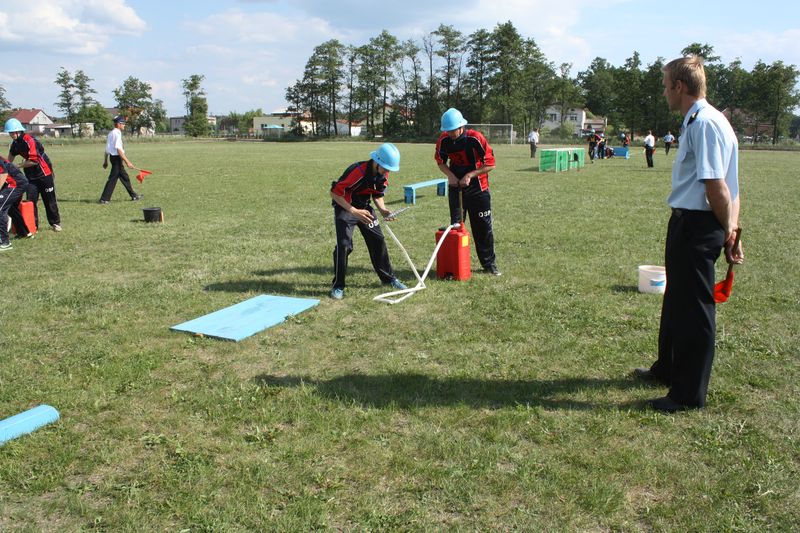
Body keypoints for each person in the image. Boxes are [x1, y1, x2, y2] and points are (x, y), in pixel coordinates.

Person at [634, 55, 743, 413]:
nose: (665, 91)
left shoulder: (705, 124)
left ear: (679, 86)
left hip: (699, 225)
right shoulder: (702, 121)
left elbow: (718, 187)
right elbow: (732, 187)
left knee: (695, 309)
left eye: (666, 85)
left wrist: (728, 231)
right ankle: (667, 369)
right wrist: (730, 227)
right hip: (689, 222)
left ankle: (688, 394)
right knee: (677, 300)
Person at [329, 143, 408, 300]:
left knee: (378, 240)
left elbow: (377, 194)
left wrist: (383, 210)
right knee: (344, 246)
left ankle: (389, 278)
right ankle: (338, 286)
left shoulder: (383, 173)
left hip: (365, 208)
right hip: (345, 208)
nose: (387, 172)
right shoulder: (357, 172)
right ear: (377, 162)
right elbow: (334, 193)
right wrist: (353, 211)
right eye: (385, 168)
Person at [435, 108, 500, 275]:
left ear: (461, 126)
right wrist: (450, 176)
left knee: (483, 229)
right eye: (446, 130)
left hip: (479, 189)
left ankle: (489, 265)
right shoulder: (444, 139)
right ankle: (455, 265)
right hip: (456, 188)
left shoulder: (475, 138)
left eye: (452, 130)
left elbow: (491, 164)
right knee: (456, 227)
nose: (449, 133)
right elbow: (441, 162)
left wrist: (470, 175)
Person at [4, 118, 62, 231]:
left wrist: (17, 166)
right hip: (30, 176)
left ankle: (55, 223)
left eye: (12, 132)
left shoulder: (30, 141)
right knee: (31, 201)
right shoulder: (15, 143)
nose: (11, 135)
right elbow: (10, 156)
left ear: (18, 131)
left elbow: (34, 161)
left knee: (49, 200)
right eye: (9, 133)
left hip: (44, 173)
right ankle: (33, 225)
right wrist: (5, 168)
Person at [99, 115, 142, 204]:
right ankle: (104, 199)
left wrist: (105, 161)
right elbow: (118, 149)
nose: (124, 125)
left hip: (113, 158)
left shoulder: (111, 133)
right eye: (123, 124)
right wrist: (127, 162)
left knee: (125, 177)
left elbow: (107, 149)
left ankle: (134, 196)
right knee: (112, 179)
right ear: (118, 124)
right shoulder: (117, 133)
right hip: (117, 159)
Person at [0, 156, 32, 251]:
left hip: (15, 184)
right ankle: (24, 232)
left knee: (0, 208)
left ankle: (5, 243)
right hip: (16, 182)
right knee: (9, 208)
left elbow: (3, 174)